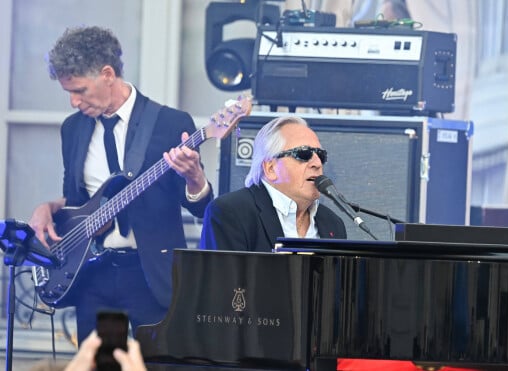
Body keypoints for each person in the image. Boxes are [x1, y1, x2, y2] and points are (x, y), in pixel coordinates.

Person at [28, 26, 213, 344]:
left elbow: (201, 207)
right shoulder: (73, 129)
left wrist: (195, 178)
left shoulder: (170, 123)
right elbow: (76, 200)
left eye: (80, 90)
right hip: (92, 276)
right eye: (68, 92)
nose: (73, 102)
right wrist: (48, 207)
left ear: (108, 74)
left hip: (150, 274)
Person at [200, 115, 346, 252]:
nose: (317, 163)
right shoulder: (230, 212)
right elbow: (224, 278)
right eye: (303, 154)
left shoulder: (333, 223)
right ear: (270, 168)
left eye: (321, 155)